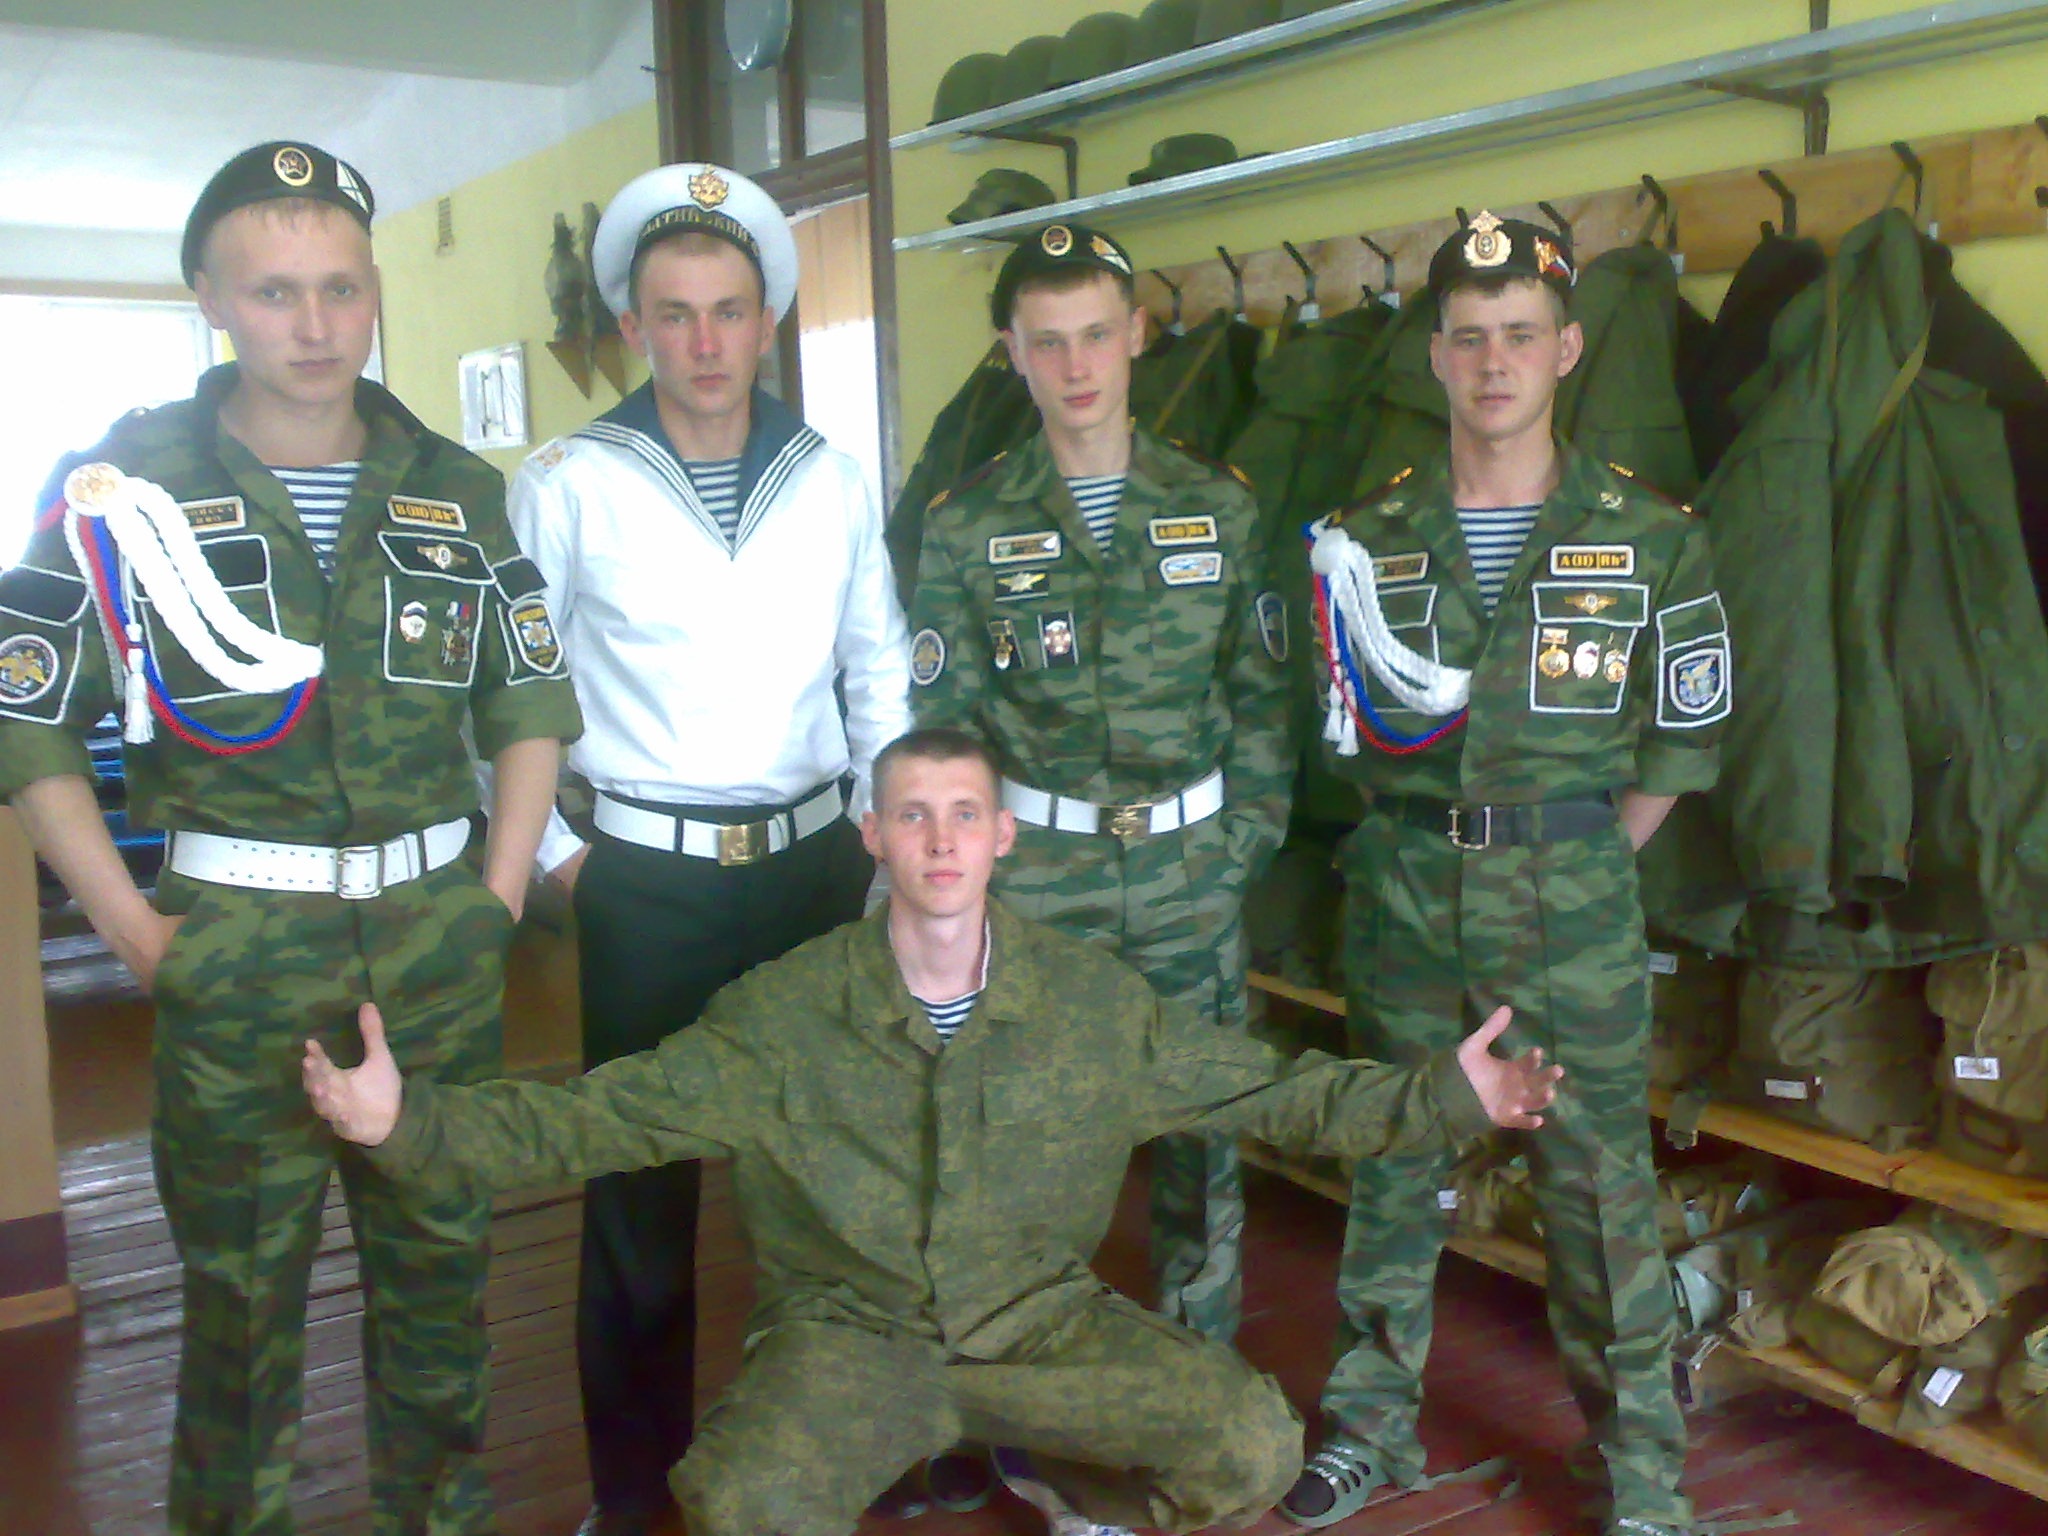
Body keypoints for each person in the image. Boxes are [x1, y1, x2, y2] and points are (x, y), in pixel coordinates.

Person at [303, 726, 1563, 1536]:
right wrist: (406, 1123)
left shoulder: (1089, 1006)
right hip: (851, 1340)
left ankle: (1068, 1480)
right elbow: (595, 1120)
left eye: (965, 814)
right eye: (912, 815)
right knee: (735, 1500)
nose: (941, 840)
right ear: (873, 836)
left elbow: (1276, 1093)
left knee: (1248, 1443)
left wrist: (1447, 1098)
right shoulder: (782, 1015)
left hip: (1038, 1327)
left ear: (1003, 836)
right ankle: (959, 1448)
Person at [0, 141, 581, 1534]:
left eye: (341, 289)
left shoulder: (456, 484)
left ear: (374, 291)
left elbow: (527, 703)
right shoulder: (121, 488)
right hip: (234, 956)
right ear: (209, 299)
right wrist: (135, 935)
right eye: (273, 293)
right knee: (241, 1319)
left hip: (435, 945)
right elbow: (26, 724)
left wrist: (498, 900)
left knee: (441, 1293)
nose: (315, 326)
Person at [1283, 212, 1731, 1536]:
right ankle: (1367, 1432)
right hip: (1408, 896)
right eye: (1469, 338)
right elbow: (1336, 732)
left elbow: (1682, 738)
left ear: (1566, 350)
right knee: (1393, 1163)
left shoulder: (1649, 534)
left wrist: (1576, 856)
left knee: (1597, 1194)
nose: (1494, 364)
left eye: (1520, 337)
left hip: (1569, 902)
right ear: (1434, 356)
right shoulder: (1364, 538)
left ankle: (1641, 1478)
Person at [504, 161, 910, 1536]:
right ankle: (633, 1498)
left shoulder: (831, 480)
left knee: (831, 1191)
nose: (704, 342)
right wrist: (557, 867)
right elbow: (504, 695)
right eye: (672, 314)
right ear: (633, 326)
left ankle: (825, 1464)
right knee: (637, 1202)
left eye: (728, 311)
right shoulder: (569, 482)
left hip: (813, 873)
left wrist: (882, 853)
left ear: (767, 321)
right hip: (645, 884)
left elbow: (877, 673)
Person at [905, 222, 1293, 1355]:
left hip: (1189, 870)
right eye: (1046, 342)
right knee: (1024, 1141)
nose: (1074, 367)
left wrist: (1240, 848)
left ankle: (1193, 1375)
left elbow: (1264, 696)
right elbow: (946, 730)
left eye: (1093, 335)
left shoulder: (1217, 504)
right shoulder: (966, 522)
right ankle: (1029, 1379)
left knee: (1201, 1137)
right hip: (1040, 878)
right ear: (1011, 354)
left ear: (1136, 335)